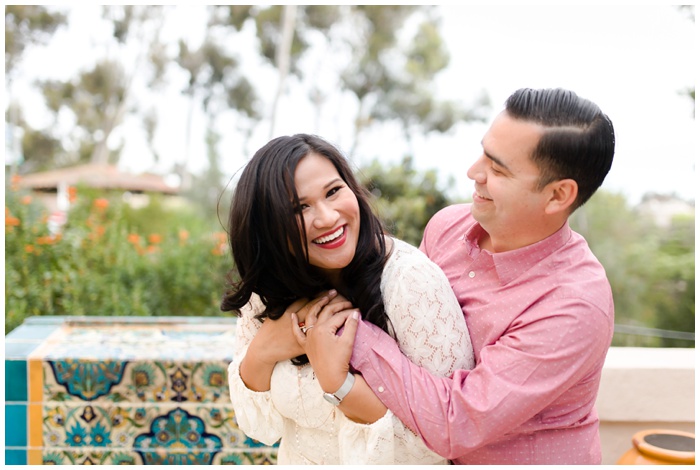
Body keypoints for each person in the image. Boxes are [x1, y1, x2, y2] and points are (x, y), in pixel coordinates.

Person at [301, 88, 616, 465]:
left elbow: (457, 423)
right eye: (483, 152)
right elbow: (406, 339)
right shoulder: (447, 227)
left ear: (557, 195)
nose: (474, 172)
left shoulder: (574, 306)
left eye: (498, 169)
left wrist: (349, 332)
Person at [221, 133, 474, 464]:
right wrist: (264, 350)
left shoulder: (410, 281)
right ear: (267, 227)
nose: (327, 218)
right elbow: (260, 427)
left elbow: (447, 436)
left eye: (333, 192)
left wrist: (337, 382)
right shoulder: (267, 291)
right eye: (300, 208)